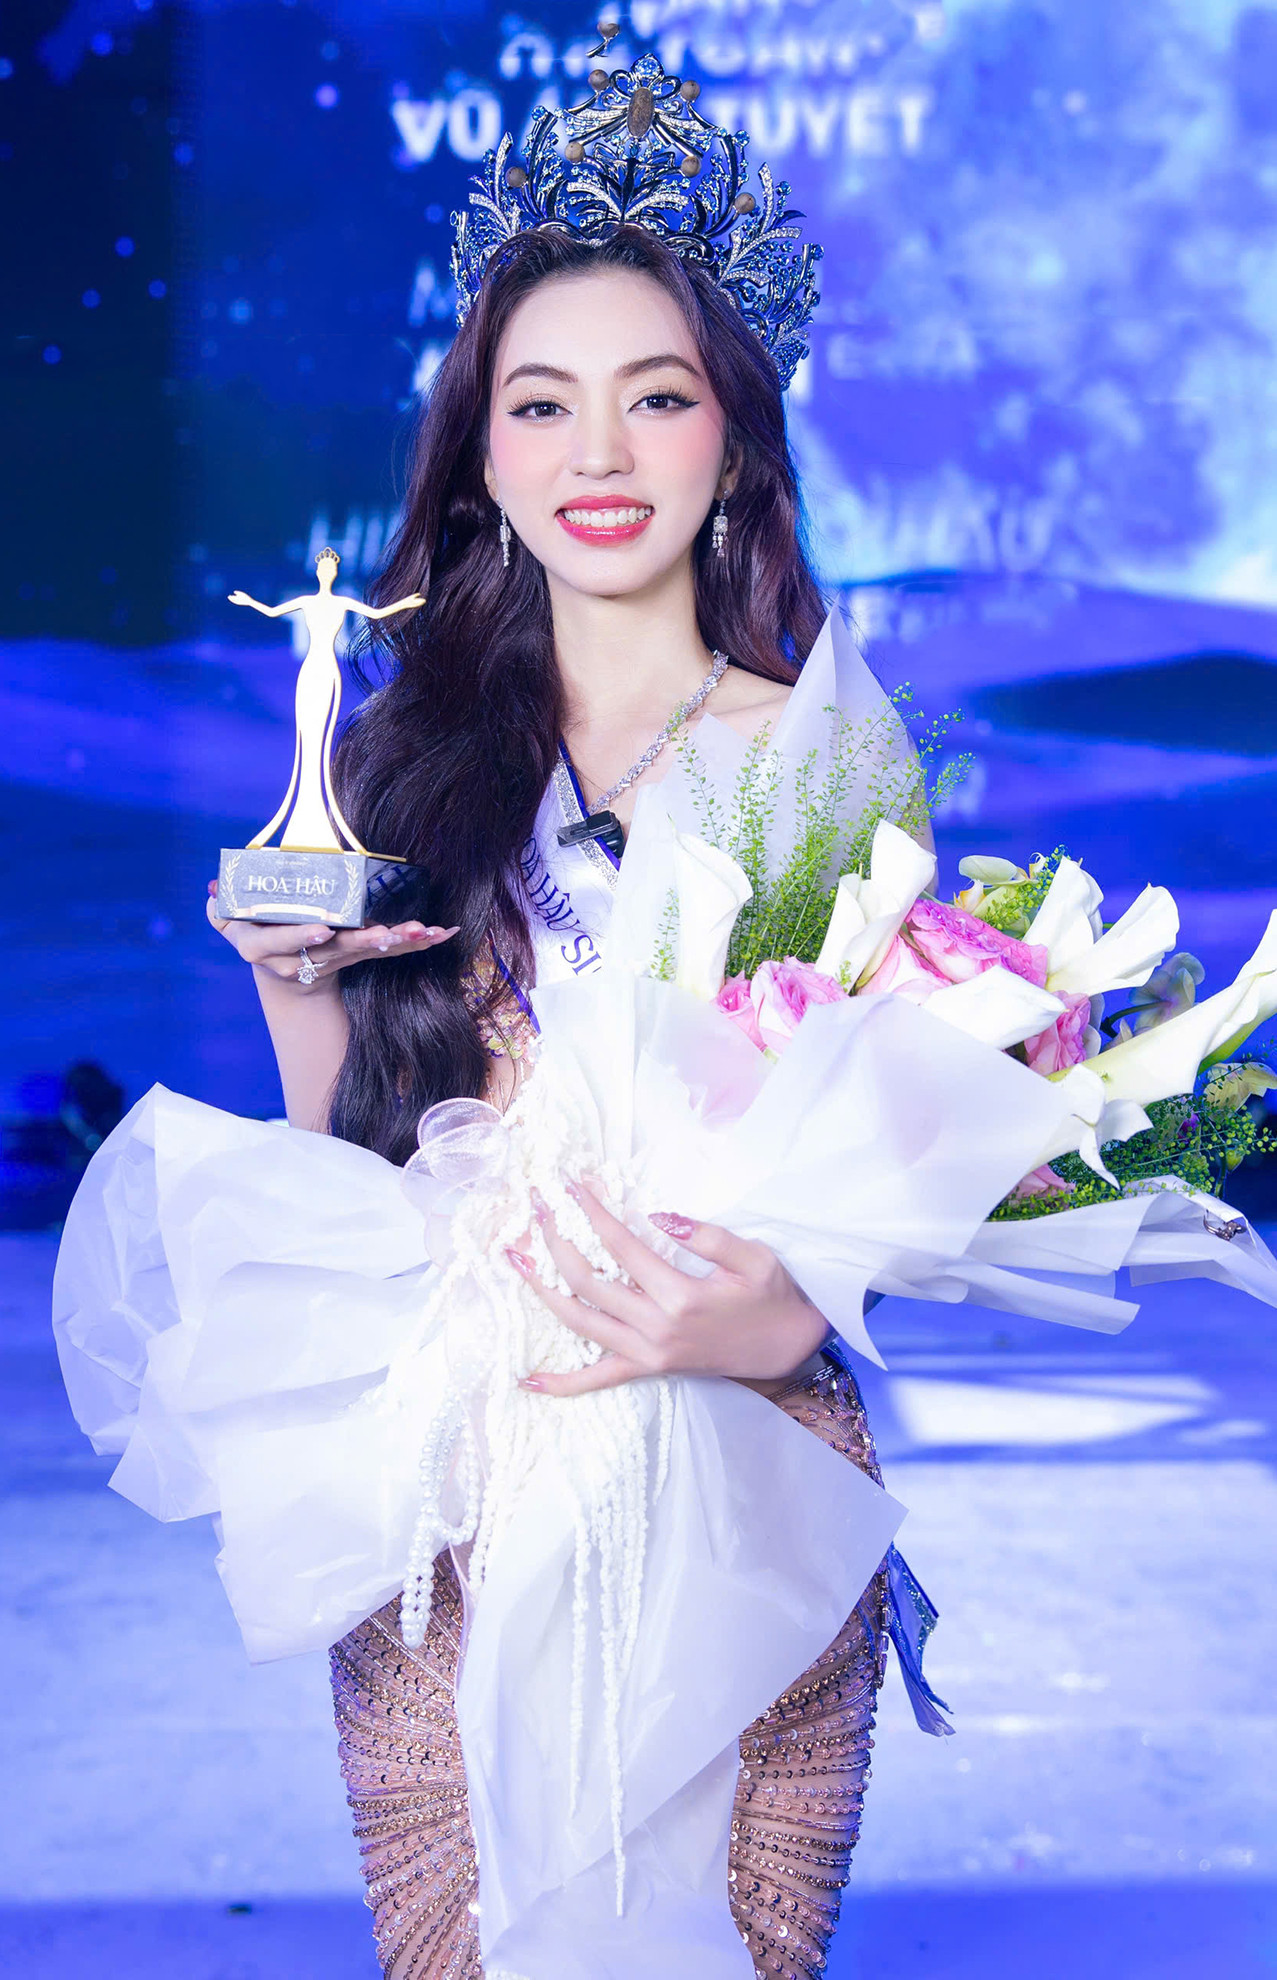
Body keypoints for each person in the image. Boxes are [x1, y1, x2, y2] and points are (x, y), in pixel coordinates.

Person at [53, 41, 947, 1980]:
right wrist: (293, 991)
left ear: (735, 441)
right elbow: (363, 1161)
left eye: (656, 398)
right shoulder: (405, 760)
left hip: (744, 1470)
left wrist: (776, 1317)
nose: (597, 456)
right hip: (451, 1487)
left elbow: (888, 1151)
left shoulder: (825, 757)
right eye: (542, 405)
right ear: (479, 453)